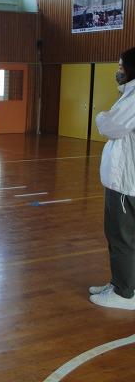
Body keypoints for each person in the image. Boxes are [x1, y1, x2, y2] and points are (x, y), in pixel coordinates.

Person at [89, 47, 135, 310]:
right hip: (124, 182)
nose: (118, 71)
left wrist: (101, 116)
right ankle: (121, 283)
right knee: (122, 237)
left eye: (121, 66)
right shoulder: (129, 95)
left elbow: (111, 126)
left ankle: (125, 293)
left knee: (121, 237)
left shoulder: (133, 98)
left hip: (126, 184)